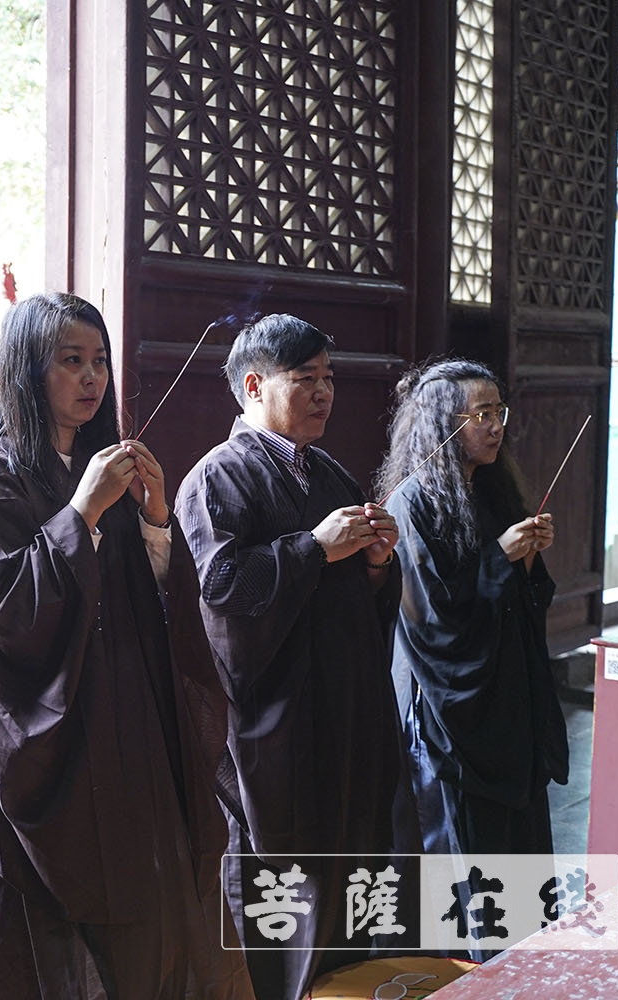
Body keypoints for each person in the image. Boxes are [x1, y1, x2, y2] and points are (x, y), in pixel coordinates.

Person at [0, 292, 252, 999]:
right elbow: (6, 614)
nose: (91, 378)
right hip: (39, 736)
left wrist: (158, 519)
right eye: (69, 361)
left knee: (152, 920)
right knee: (45, 945)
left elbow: (161, 601)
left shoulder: (108, 466)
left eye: (99, 361)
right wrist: (82, 512)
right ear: (25, 371)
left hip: (126, 723)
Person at [173, 314, 419, 1000]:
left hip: (341, 717)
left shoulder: (331, 471)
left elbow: (361, 594)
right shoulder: (216, 478)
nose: (324, 392)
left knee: (347, 873)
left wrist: (374, 565)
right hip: (273, 728)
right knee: (285, 887)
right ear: (253, 386)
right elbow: (217, 587)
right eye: (304, 378)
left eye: (329, 377)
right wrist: (314, 547)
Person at [378, 358, 568, 860]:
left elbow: (524, 601)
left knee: (519, 851)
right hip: (448, 710)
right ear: (445, 424)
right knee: (464, 852)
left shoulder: (493, 491)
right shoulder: (411, 503)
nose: (496, 425)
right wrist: (499, 557)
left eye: (498, 411)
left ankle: (524, 942)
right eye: (481, 414)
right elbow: (431, 619)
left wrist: (526, 559)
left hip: (505, 698)